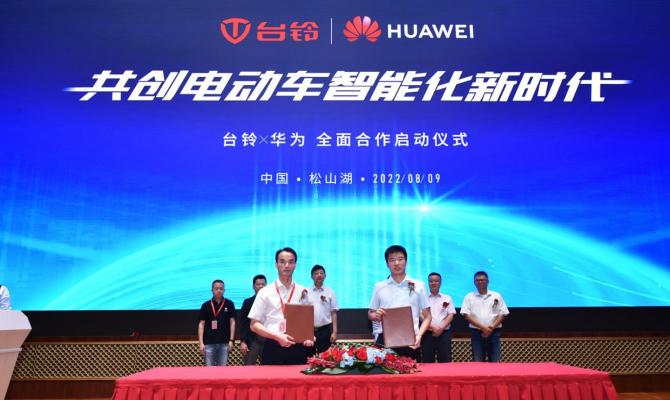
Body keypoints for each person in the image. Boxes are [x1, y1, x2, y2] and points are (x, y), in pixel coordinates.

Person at [248, 247, 314, 365]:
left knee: (298, 377)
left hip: (297, 347)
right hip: (272, 346)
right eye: (282, 262)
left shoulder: (303, 291)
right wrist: (277, 337)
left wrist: (308, 336)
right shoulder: (265, 292)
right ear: (276, 264)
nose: (286, 265)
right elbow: (254, 325)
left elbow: (306, 321)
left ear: (295, 265)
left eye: (291, 262)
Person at [368, 245, 431, 361]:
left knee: (412, 372)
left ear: (406, 261)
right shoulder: (379, 286)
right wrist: (376, 315)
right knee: (382, 373)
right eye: (392, 260)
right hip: (385, 339)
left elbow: (427, 317)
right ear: (387, 264)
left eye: (400, 259)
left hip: (411, 341)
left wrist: (419, 336)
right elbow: (370, 313)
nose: (396, 263)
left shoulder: (418, 285)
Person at [460, 271, 510, 362]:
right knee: (478, 361)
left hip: (494, 332)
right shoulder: (469, 296)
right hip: (476, 333)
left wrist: (491, 328)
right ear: (474, 282)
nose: (480, 282)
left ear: (487, 281)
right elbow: (466, 315)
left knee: (495, 361)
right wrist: (483, 328)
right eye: (477, 280)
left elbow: (503, 313)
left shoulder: (496, 295)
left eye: (482, 280)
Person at [198, 279, 236, 366]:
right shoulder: (205, 305)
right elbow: (201, 324)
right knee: (209, 370)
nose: (219, 290)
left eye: (221, 288)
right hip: (208, 343)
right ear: (212, 290)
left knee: (222, 370)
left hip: (224, 343)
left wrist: (231, 340)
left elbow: (233, 322)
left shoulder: (229, 304)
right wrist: (201, 343)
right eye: (216, 288)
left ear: (224, 290)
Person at [421, 272, 456, 362]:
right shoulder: (423, 298)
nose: (433, 283)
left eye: (436, 281)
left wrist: (440, 328)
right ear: (428, 283)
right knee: (427, 360)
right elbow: (420, 315)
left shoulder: (447, 298)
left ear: (440, 283)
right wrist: (433, 328)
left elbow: (451, 315)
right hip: (427, 333)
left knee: (445, 360)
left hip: (444, 333)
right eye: (431, 281)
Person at [305, 265, 339, 354]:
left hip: (325, 331)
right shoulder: (306, 292)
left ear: (325, 276)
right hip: (309, 330)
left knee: (325, 357)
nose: (319, 275)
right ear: (312, 277)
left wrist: (335, 332)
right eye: (316, 273)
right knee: (309, 357)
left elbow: (334, 312)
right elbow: (303, 313)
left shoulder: (330, 291)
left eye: (321, 273)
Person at [238, 274, 267, 365]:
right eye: (258, 284)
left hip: (267, 340)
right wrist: (243, 341)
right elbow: (243, 323)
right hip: (251, 340)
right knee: (248, 367)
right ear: (253, 286)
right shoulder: (247, 302)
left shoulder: (271, 301)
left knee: (268, 368)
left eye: (263, 284)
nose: (261, 286)